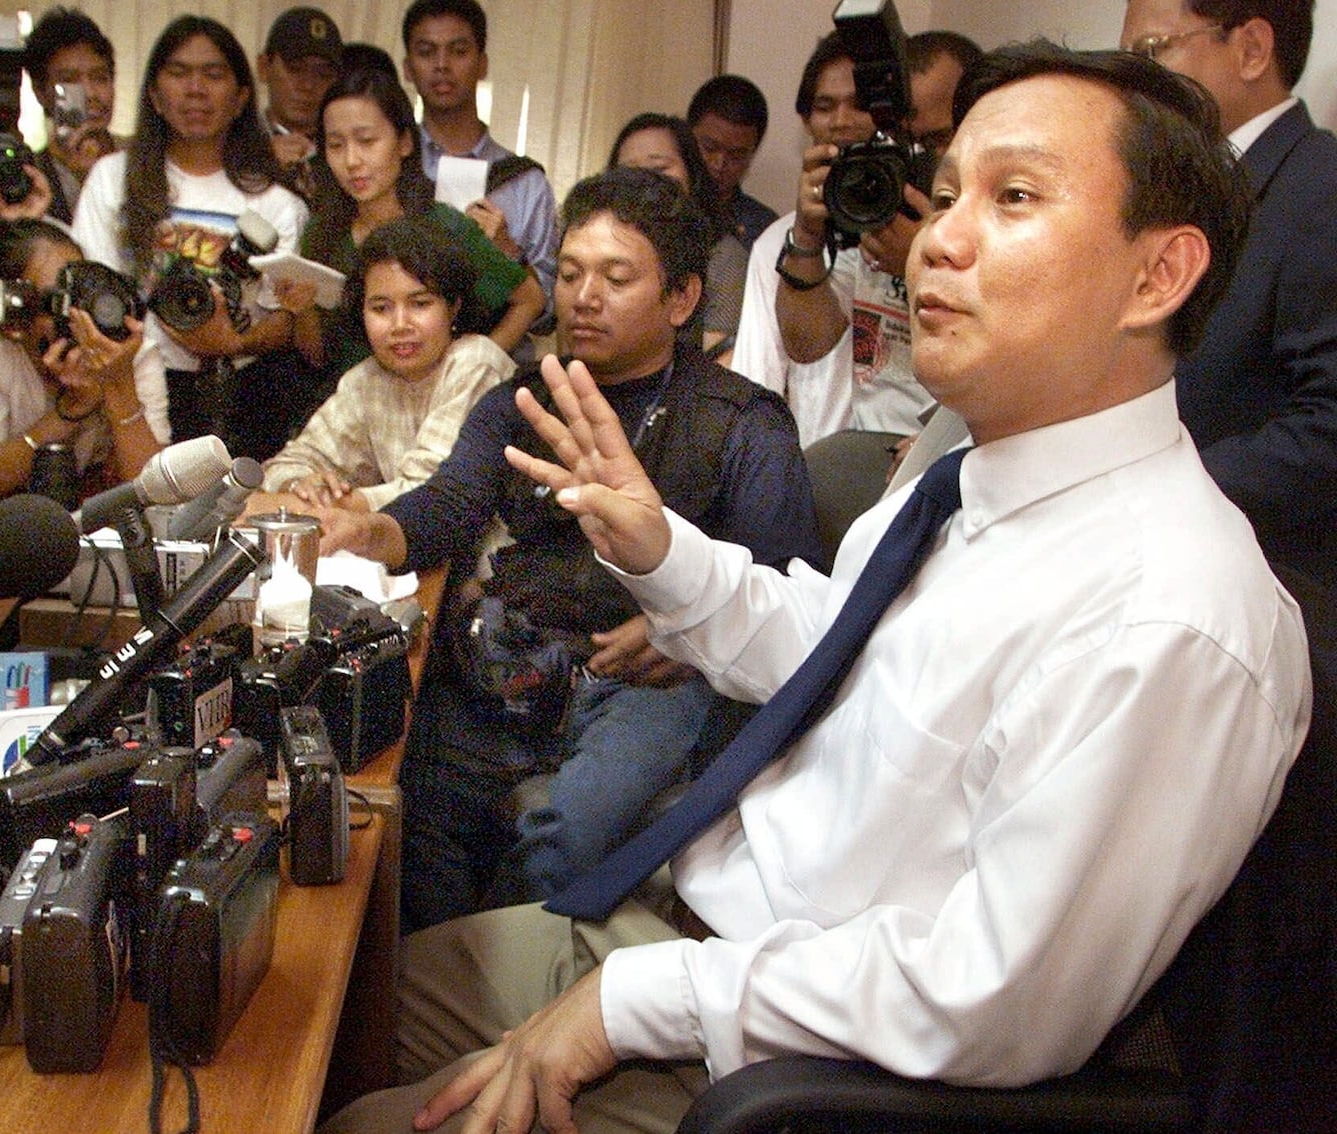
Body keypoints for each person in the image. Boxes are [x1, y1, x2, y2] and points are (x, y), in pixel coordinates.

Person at [318, 43, 1311, 1134]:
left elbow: (995, 1002)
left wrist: (638, 1003)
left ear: (1156, 275)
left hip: (796, 1059)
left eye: (1013, 197)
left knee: (351, 1111)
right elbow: (824, 649)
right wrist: (660, 550)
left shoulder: (1171, 613)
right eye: (944, 197)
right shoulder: (963, 475)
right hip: (694, 918)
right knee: (327, 1006)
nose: (938, 239)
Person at [318, 167, 821, 932]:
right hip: (511, 656)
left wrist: (684, 632)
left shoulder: (743, 421)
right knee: (401, 816)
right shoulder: (523, 396)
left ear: (681, 298)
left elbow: (786, 588)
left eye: (616, 278)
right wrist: (373, 533)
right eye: (573, 273)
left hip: (648, 679)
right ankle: (427, 998)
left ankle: (508, 1004)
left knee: (572, 838)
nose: (583, 296)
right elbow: (452, 505)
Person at [1120, 0, 1337, 593]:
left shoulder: (1322, 188)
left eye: (1151, 53)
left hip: (1253, 576)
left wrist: (1143, 488)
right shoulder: (1176, 187)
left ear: (1251, 51)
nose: (1132, 83)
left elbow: (1327, 423)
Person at [71, 15, 313, 460]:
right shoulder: (113, 179)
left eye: (214, 75)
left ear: (241, 97)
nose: (196, 89)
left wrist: (232, 343)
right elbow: (92, 291)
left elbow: (289, 320)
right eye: (179, 73)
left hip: (241, 398)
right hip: (133, 385)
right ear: (154, 96)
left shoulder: (279, 203)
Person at [731, 29, 978, 447]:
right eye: (906, 141)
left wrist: (920, 259)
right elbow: (810, 344)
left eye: (934, 140)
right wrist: (808, 234)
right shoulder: (872, 222)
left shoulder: (998, 230)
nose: (920, 157)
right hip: (862, 457)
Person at [292, 68, 542, 382]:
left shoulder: (444, 226)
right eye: (336, 145)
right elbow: (318, 356)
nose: (352, 160)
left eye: (367, 141)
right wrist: (301, 311)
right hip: (345, 405)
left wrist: (469, 371)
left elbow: (530, 299)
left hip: (433, 409)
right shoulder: (323, 233)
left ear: (404, 143)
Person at [258, 215, 513, 513]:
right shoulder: (366, 379)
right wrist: (301, 485)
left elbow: (429, 493)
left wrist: (320, 507)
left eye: (420, 304)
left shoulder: (476, 362)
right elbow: (289, 462)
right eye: (381, 308)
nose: (399, 325)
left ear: (453, 307)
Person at [0, 219, 168, 501]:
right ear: (11, 319)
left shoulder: (128, 351)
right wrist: (71, 408)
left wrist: (119, 386)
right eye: (58, 300)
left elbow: (152, 491)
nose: (79, 313)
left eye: (82, 287)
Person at [401, 0, 559, 322]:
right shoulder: (389, 165)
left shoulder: (525, 182)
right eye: (427, 51)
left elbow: (550, 314)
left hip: (497, 361)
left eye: (458, 51)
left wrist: (507, 252)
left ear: (482, 63)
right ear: (407, 67)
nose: (442, 65)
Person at [606, 112, 747, 357]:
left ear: (691, 174)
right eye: (630, 173)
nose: (644, 183)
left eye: (659, 168)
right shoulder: (600, 246)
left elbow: (720, 364)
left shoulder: (723, 256)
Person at [22, 6, 121, 226]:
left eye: (100, 78)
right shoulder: (29, 175)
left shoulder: (141, 159)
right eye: (70, 80)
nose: (90, 94)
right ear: (41, 93)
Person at [687, 74, 778, 249]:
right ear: (687, 135)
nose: (719, 163)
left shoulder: (764, 228)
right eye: (709, 148)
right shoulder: (661, 207)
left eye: (736, 155)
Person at [256, 5, 343, 186]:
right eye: (295, 69)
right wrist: (260, 164)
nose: (308, 85)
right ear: (264, 67)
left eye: (324, 74)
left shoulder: (344, 153)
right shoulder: (234, 142)